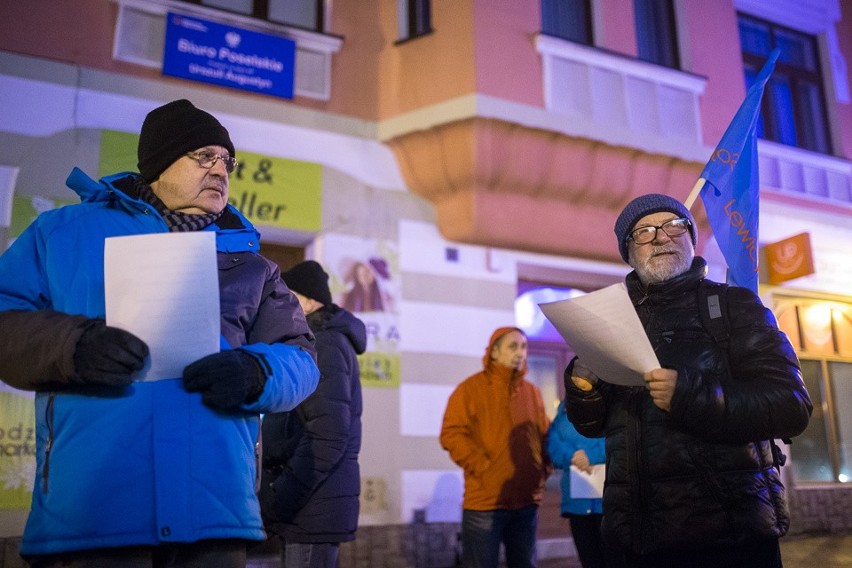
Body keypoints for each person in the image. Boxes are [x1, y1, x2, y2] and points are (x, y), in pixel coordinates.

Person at [0, 99, 320, 567]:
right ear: (158, 163)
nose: (221, 170)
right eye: (204, 156)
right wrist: (75, 345)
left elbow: (301, 359)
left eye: (227, 160)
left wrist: (254, 373)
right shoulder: (62, 233)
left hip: (213, 513)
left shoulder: (254, 267)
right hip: (94, 510)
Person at [563, 193, 812, 568]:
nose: (661, 237)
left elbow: (791, 405)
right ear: (628, 252)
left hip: (731, 537)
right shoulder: (610, 321)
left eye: (674, 225)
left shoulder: (734, 307)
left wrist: (692, 396)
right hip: (639, 540)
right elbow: (592, 426)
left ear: (691, 239)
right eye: (644, 231)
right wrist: (584, 389)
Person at [260, 260, 367, 568]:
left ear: (307, 302)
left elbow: (327, 435)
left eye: (286, 295)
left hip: (310, 506)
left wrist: (279, 499)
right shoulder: (318, 341)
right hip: (313, 504)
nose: (278, 304)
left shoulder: (324, 344)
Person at [440, 327, 551, 568]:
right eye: (513, 346)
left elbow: (545, 435)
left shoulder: (532, 393)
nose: (520, 352)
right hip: (485, 503)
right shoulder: (469, 390)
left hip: (526, 501)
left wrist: (542, 470)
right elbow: (451, 434)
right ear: (494, 352)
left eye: (523, 347)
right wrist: (484, 468)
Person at [547, 400, 608, 568]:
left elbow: (617, 439)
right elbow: (553, 443)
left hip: (608, 502)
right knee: (588, 557)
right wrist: (573, 456)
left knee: (613, 558)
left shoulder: (610, 405)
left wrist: (591, 455)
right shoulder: (564, 412)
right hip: (577, 503)